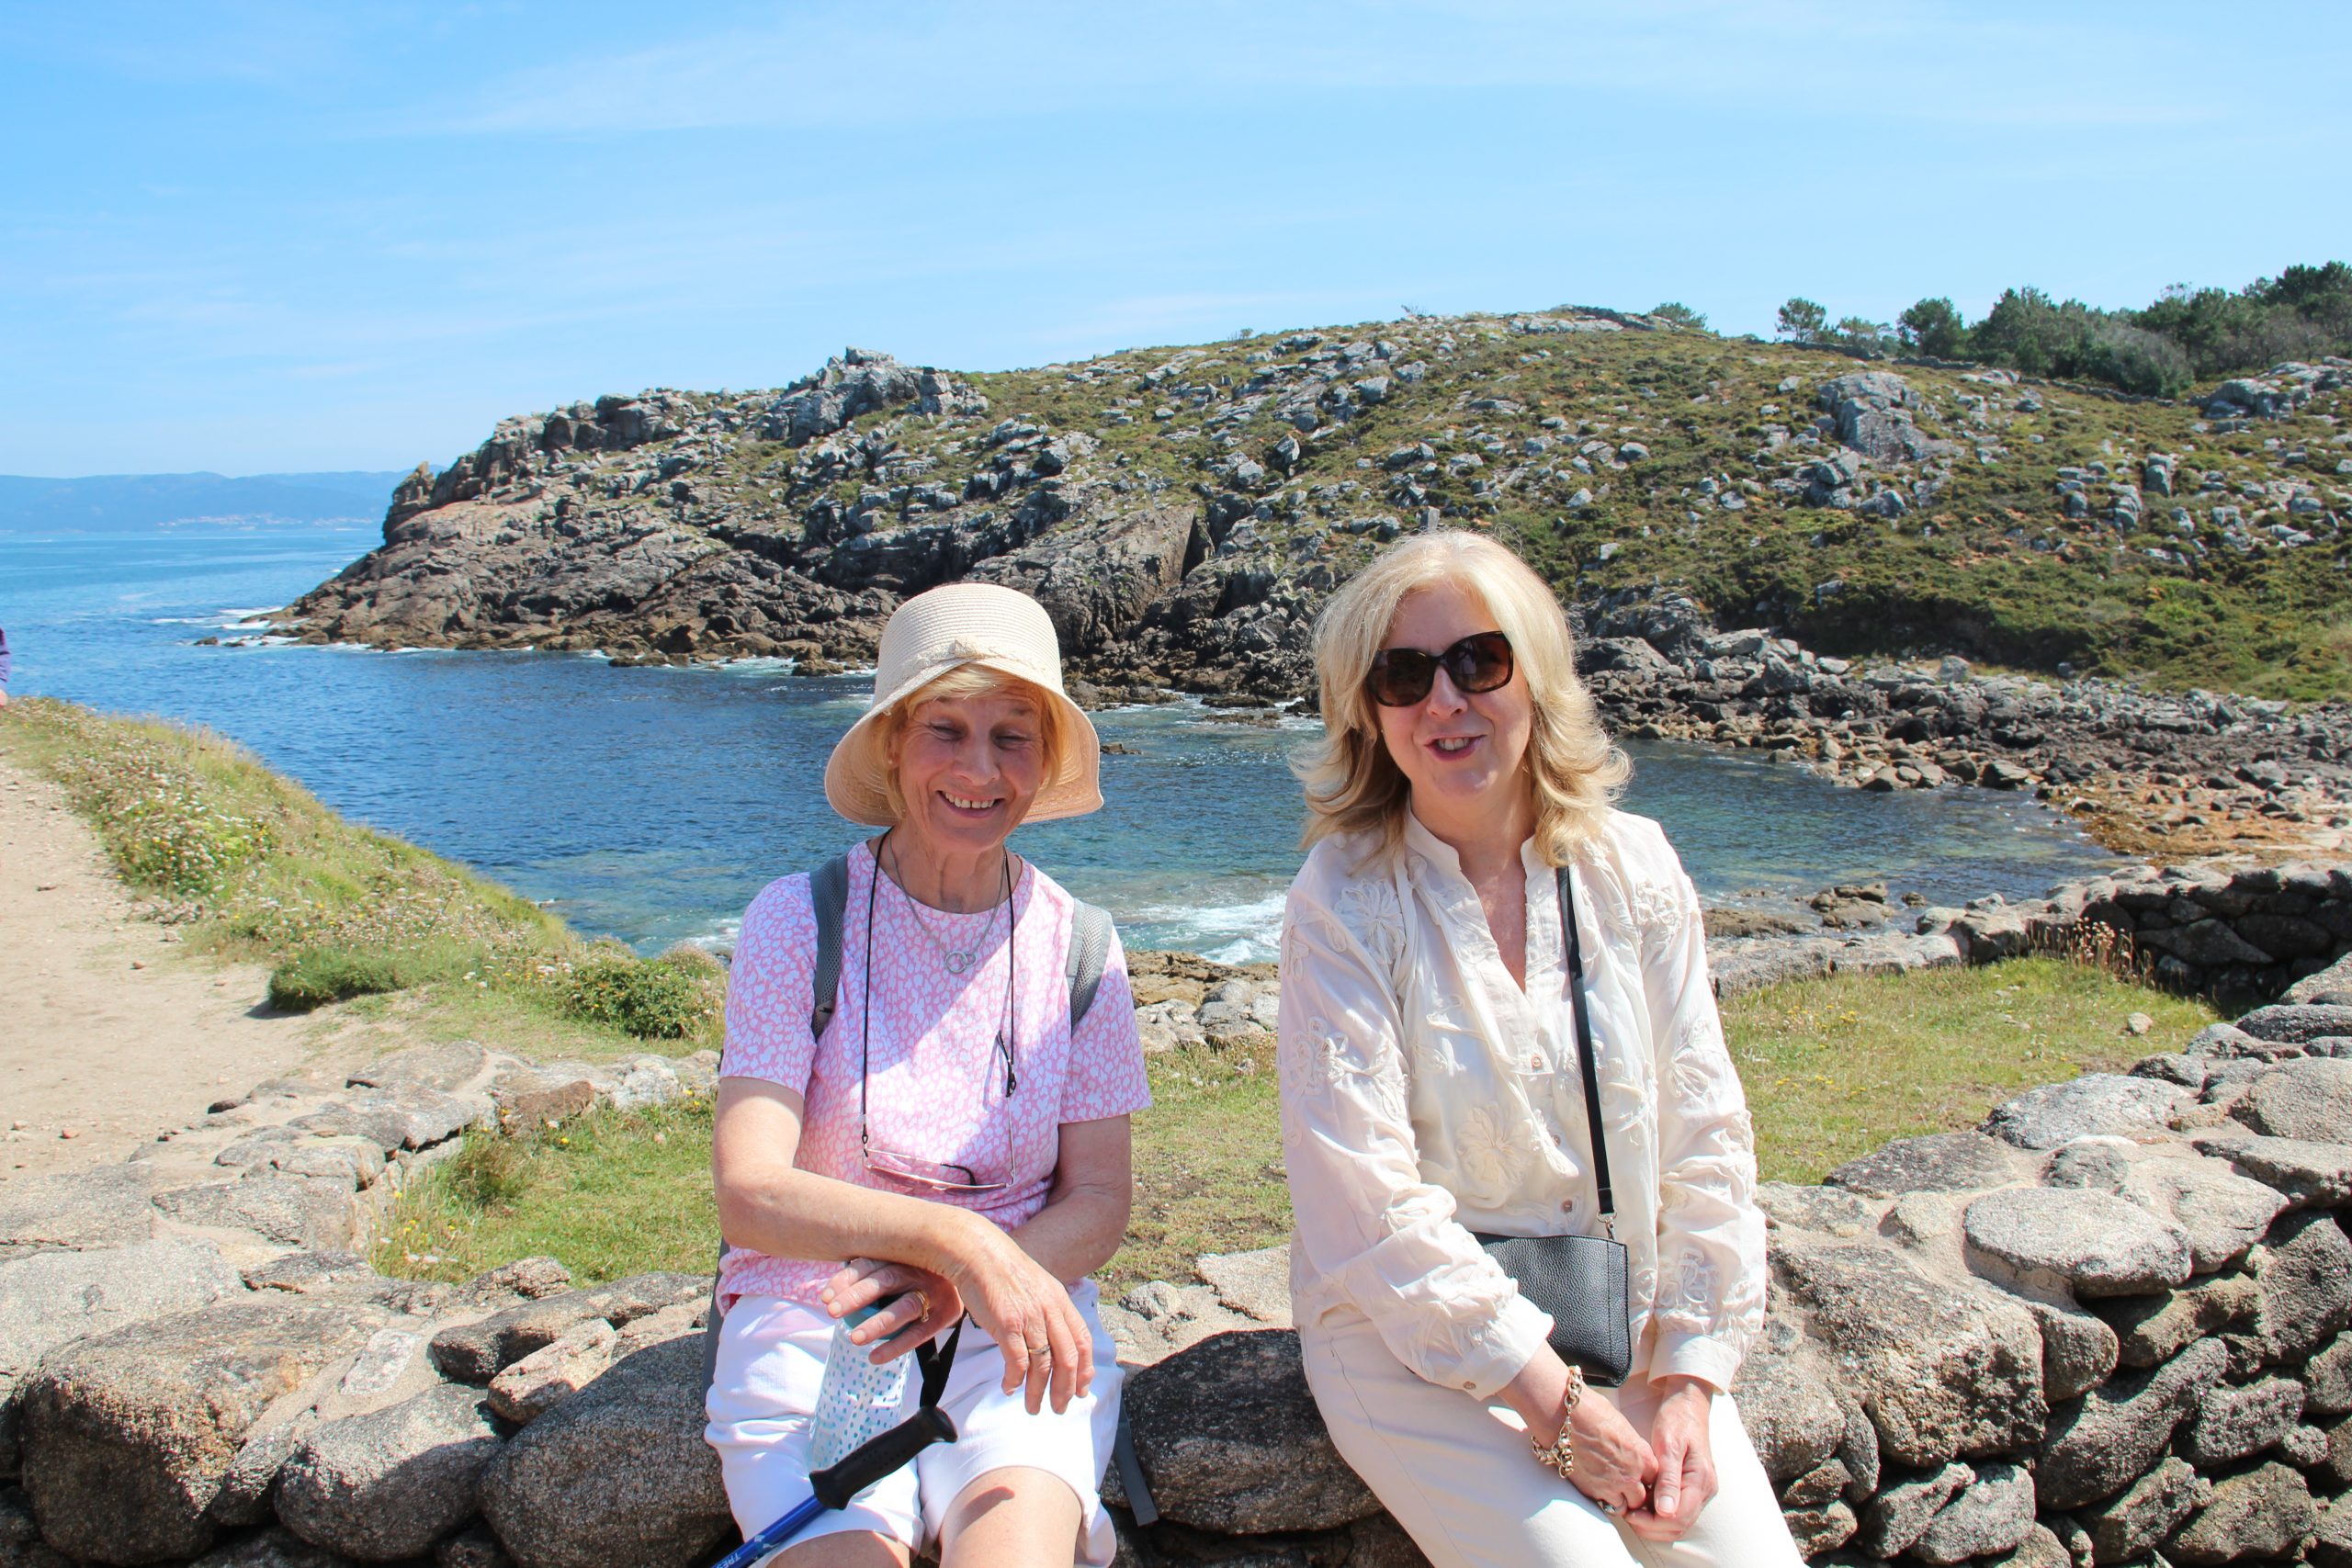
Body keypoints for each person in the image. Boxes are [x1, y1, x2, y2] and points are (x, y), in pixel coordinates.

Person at [1276, 532, 1801, 1567]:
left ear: (1536, 674)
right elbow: (1365, 1203)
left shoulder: (1631, 866)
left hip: (1618, 1322)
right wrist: (1554, 1403)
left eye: (1479, 661)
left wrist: (1689, 1379)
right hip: (1404, 1341)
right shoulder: (1341, 902)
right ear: (1366, 709)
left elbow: (1709, 1136)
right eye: (1403, 674)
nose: (1444, 701)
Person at [706, 582, 1150, 1568]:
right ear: (894, 745)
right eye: (945, 729)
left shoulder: (1081, 947)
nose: (978, 769)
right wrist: (957, 1244)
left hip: (1013, 1333)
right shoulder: (796, 919)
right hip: (820, 1320)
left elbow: (1101, 1196)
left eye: (1013, 736)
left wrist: (976, 1279)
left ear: (1044, 762)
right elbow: (751, 1193)